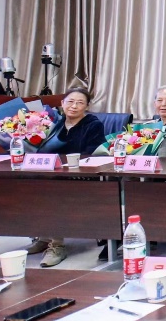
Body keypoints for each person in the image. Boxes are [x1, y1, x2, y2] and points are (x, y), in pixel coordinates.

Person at [26, 87, 107, 268]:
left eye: (80, 103)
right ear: (62, 103)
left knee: (56, 191)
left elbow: (94, 153)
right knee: (30, 185)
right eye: (70, 102)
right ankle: (44, 237)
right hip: (53, 173)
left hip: (81, 177)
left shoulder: (93, 124)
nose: (74, 106)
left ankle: (57, 246)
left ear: (87, 106)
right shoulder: (53, 123)